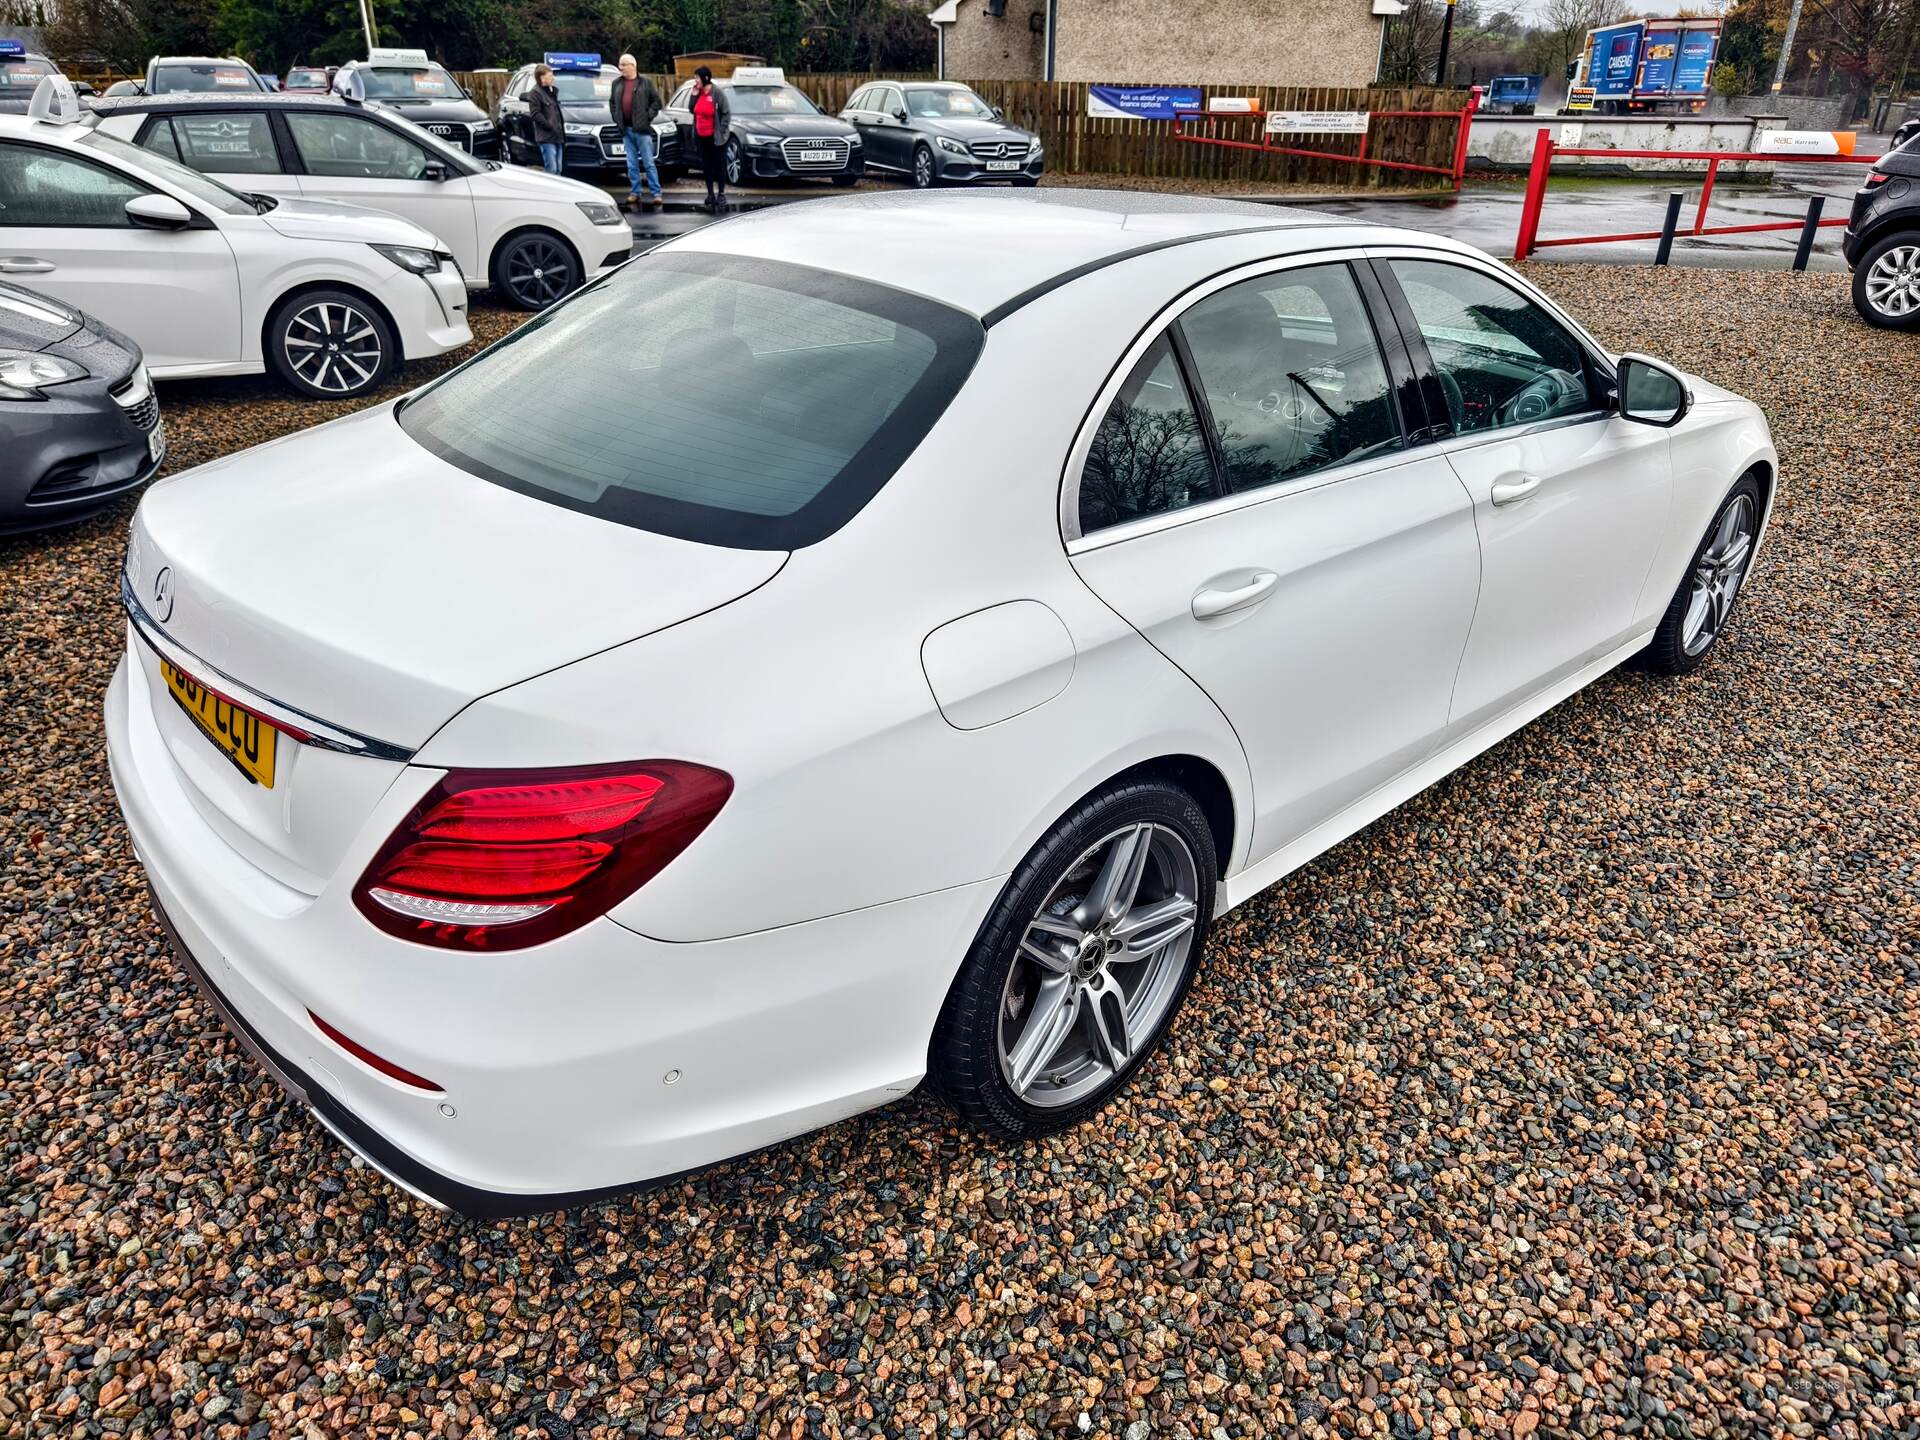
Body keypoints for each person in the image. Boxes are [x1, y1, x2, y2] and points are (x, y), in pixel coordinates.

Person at [609, 54, 663, 209]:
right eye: (620, 65)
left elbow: (656, 102)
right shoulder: (616, 83)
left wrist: (648, 117)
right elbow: (612, 102)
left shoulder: (645, 82)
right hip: (626, 129)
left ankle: (656, 194)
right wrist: (616, 117)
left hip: (642, 130)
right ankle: (635, 192)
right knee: (631, 164)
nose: (621, 68)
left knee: (648, 163)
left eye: (624, 65)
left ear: (633, 65)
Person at [689, 65, 732, 212]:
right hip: (701, 136)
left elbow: (726, 113)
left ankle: (721, 193)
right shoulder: (697, 92)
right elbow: (691, 109)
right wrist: (694, 95)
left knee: (719, 166)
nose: (695, 80)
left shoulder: (717, 93)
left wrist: (721, 130)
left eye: (697, 77)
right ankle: (710, 194)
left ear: (705, 78)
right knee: (706, 166)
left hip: (715, 137)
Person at [528, 64, 565, 174]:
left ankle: (558, 191)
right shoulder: (535, 93)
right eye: (550, 75)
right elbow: (535, 114)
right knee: (551, 169)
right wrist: (549, 126)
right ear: (542, 78)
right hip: (546, 137)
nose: (553, 78)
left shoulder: (552, 91)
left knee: (559, 169)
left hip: (558, 136)